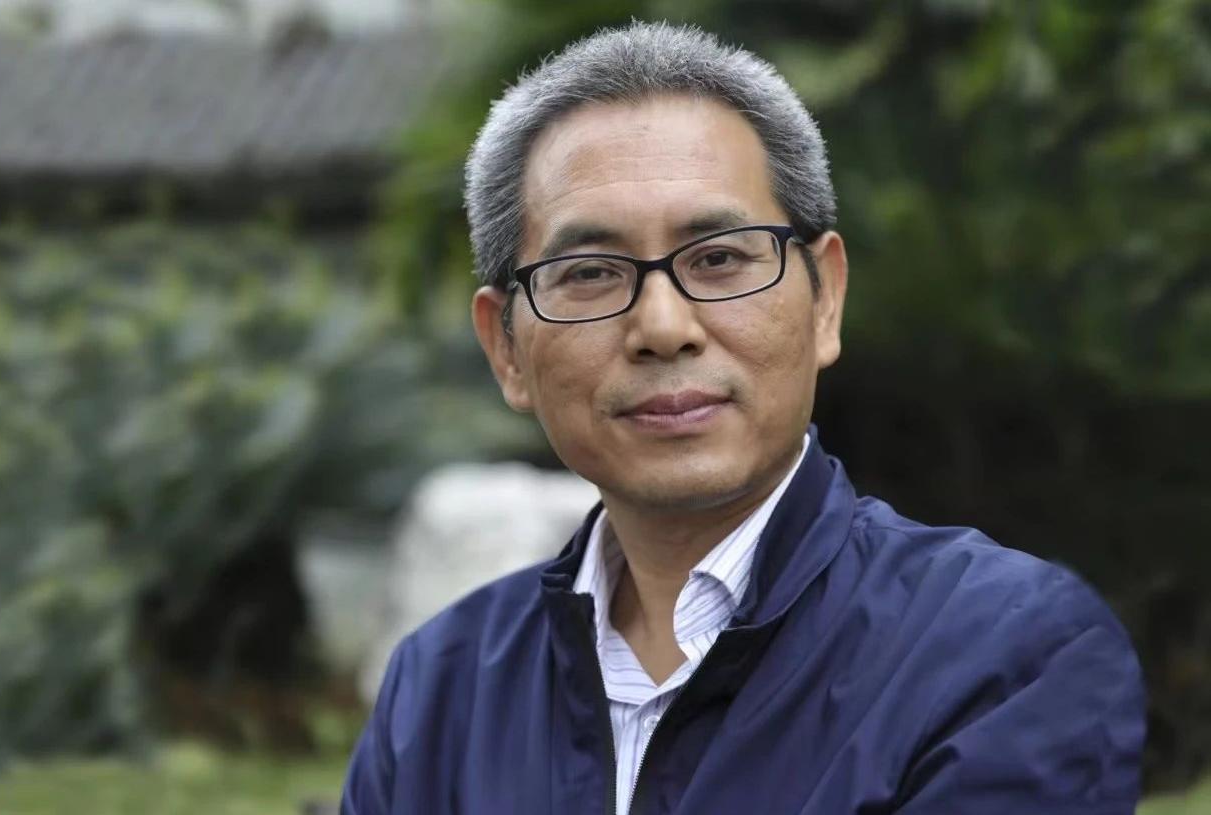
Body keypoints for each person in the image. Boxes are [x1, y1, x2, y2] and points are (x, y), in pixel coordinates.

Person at [340, 21, 1146, 815]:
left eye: (720, 259)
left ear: (825, 299)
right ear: (507, 348)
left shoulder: (1005, 654)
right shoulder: (440, 690)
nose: (663, 327)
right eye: (589, 272)